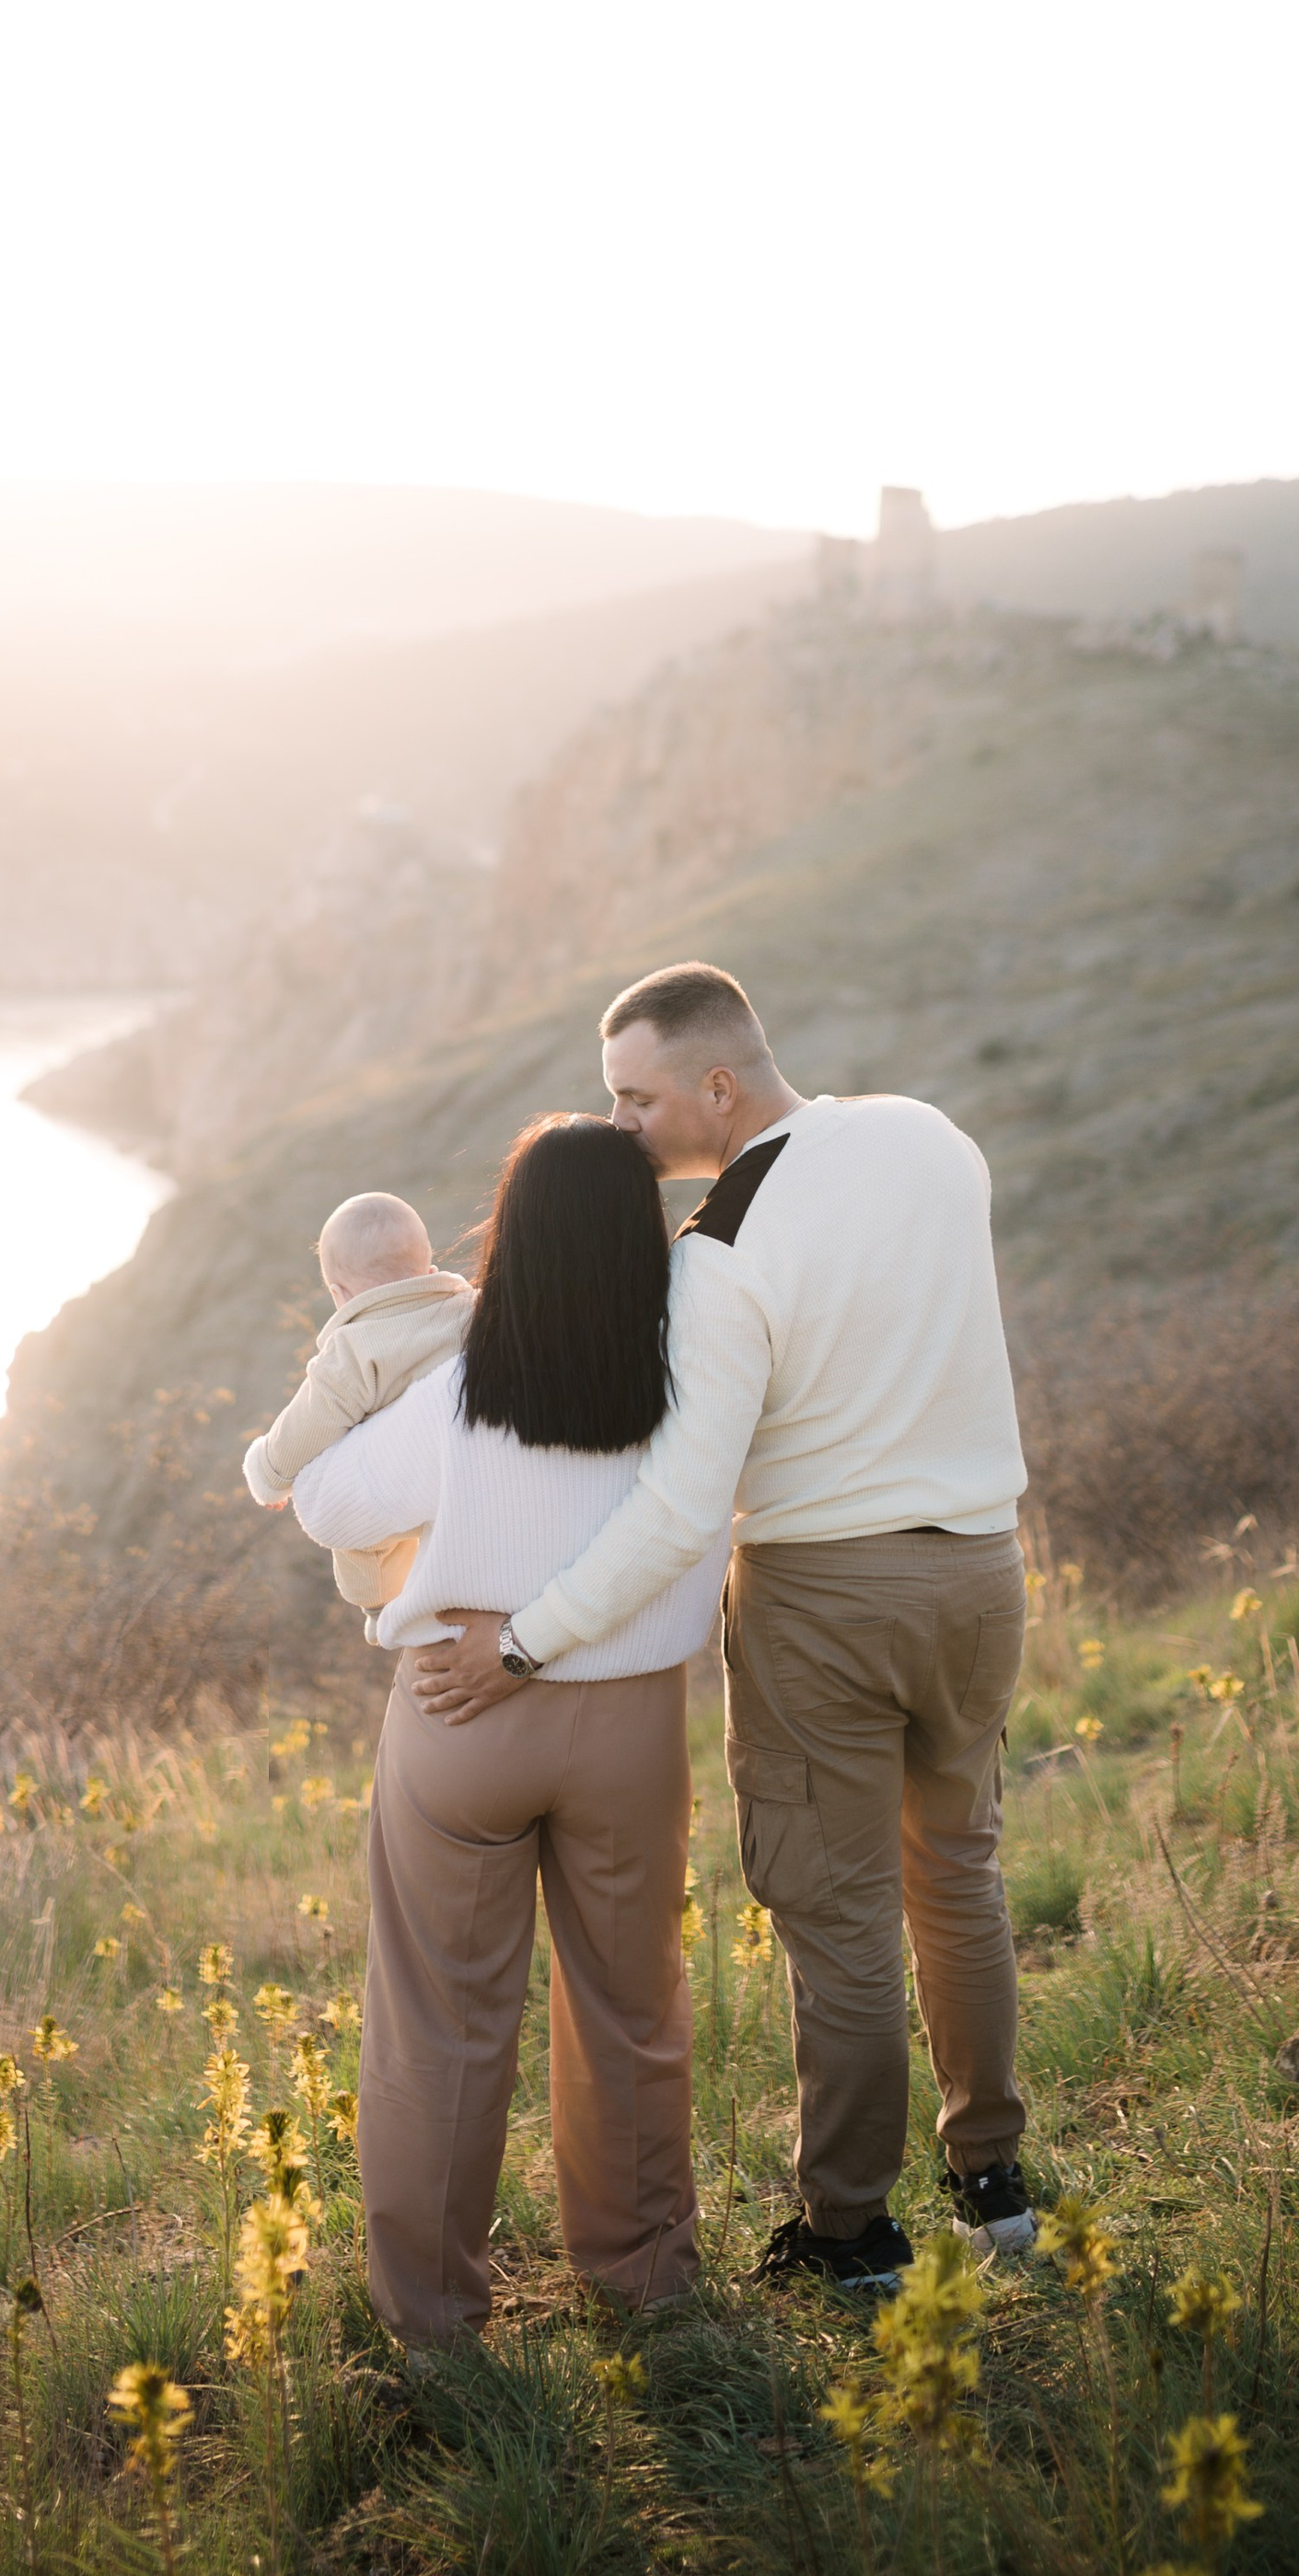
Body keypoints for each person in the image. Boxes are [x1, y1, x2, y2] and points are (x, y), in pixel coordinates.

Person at [412, 962, 1033, 2291]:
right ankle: (993, 2180)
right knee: (959, 1872)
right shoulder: (930, 1137)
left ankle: (850, 2233)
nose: (621, 1126)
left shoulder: (719, 1254)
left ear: (715, 1083)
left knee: (841, 1917)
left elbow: (683, 1509)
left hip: (828, 1599)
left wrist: (521, 1642)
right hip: (983, 1572)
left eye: (634, 1099)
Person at [287, 1116, 727, 2342]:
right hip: (632, 1724)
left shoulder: (456, 1393)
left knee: (441, 2025)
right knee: (632, 2011)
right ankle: (645, 2280)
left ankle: (432, 2319)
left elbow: (320, 1499)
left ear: (507, 1239)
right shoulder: (694, 1383)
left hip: (458, 1712)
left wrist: (356, 1351)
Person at [241, 1192, 473, 1618]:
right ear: (427, 1267)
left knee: (357, 1528)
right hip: (469, 1470)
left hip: (398, 1484)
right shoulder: (468, 1308)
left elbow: (306, 1426)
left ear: (338, 1293)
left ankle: (383, 1608)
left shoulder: (351, 1352)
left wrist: (269, 1475)